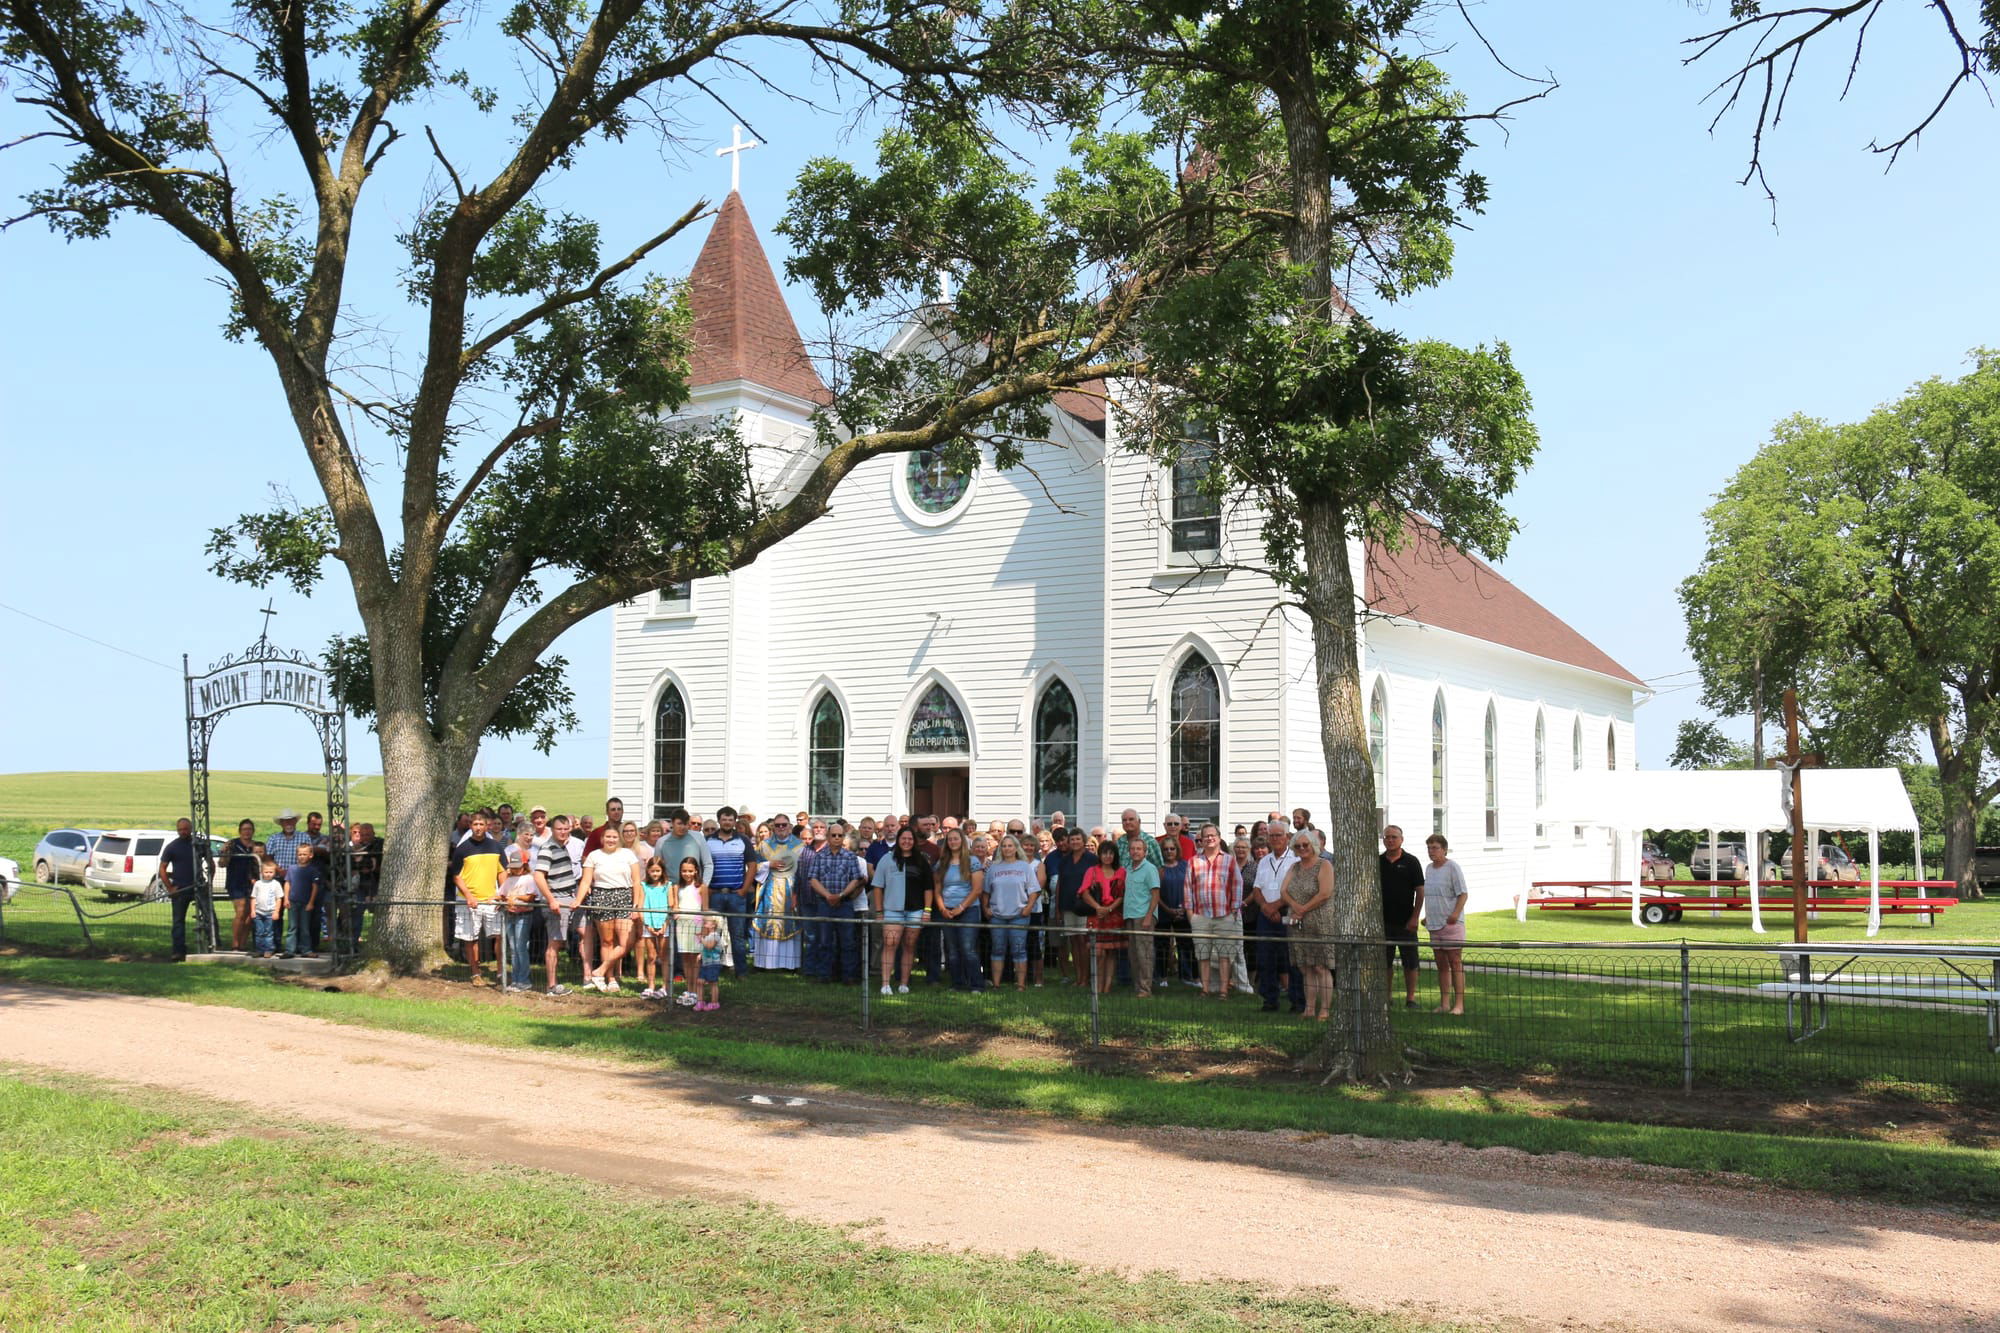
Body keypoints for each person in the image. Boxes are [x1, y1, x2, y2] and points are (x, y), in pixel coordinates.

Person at [578, 822, 641, 992]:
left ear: (618, 838)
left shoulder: (628, 855)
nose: (611, 839)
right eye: (608, 837)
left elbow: (636, 881)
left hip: (624, 897)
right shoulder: (594, 855)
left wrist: (636, 905)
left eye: (614, 837)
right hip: (602, 896)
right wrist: (578, 899)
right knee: (607, 941)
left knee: (628, 941)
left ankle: (599, 971)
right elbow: (586, 881)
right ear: (602, 839)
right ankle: (610, 978)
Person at [801, 820, 865, 984]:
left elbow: (856, 880)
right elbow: (813, 879)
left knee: (848, 942)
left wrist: (841, 895)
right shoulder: (819, 856)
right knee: (824, 941)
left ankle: (848, 976)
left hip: (845, 904)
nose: (837, 838)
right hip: (824, 904)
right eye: (834, 835)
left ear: (843, 837)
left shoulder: (850, 856)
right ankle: (824, 975)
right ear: (828, 837)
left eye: (840, 835)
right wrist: (828, 896)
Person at [871, 826, 932, 994]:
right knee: (890, 945)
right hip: (892, 910)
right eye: (903, 838)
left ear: (914, 841)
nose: (907, 842)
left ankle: (904, 984)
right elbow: (877, 887)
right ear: (898, 840)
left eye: (910, 839)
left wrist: (927, 910)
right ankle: (885, 984)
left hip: (916, 911)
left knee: (909, 946)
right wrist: (879, 911)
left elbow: (928, 888)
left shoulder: (921, 861)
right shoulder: (887, 859)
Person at [1250, 823, 1304, 1013]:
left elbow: (1294, 889)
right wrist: (1265, 907)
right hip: (1265, 915)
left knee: (1291, 958)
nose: (1275, 839)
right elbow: (1256, 889)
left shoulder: (1296, 859)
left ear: (1287, 836)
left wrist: (1276, 906)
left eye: (1278, 835)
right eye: (1271, 836)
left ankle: (1297, 1001)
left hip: (1287, 912)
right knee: (1265, 958)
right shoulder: (1264, 861)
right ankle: (1269, 1000)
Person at [1185, 823, 1243, 1000]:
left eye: (1213, 835)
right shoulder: (1194, 861)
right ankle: (1205, 989)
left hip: (1224, 915)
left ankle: (1224, 991)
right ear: (1201, 840)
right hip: (1201, 916)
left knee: (1225, 955)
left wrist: (1233, 911)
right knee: (1202, 954)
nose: (1210, 838)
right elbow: (1188, 888)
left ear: (1219, 838)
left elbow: (1237, 885)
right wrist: (1190, 915)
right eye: (1206, 836)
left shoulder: (1229, 860)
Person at [448, 811, 505, 983]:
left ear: (487, 826)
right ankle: (476, 972)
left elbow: (502, 872)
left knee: (499, 935)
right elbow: (456, 876)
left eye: (481, 824)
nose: (478, 828)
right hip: (468, 901)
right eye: (475, 824)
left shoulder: (496, 847)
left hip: (490, 900)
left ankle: (501, 972)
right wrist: (468, 896)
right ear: (470, 826)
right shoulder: (462, 849)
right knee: (470, 937)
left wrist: (501, 893)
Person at [1283, 830, 1336, 1020]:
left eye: (1305, 845)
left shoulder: (1325, 865)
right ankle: (1309, 1008)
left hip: (1320, 923)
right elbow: (1284, 891)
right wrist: (1296, 907)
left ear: (1313, 845)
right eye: (1298, 846)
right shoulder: (1294, 867)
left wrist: (1302, 909)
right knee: (1305, 967)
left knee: (1321, 967)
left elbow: (1325, 893)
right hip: (1297, 924)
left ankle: (1325, 1010)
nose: (1302, 848)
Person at [532, 813, 583, 997]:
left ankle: (589, 977)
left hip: (570, 898)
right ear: (552, 830)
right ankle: (552, 986)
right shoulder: (548, 848)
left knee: (583, 932)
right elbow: (538, 876)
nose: (563, 832)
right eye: (559, 829)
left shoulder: (563, 847)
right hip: (557, 901)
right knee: (554, 943)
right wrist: (551, 900)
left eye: (566, 829)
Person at [983, 834, 1042, 992]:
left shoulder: (1024, 867)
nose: (1007, 848)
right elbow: (986, 892)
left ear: (1016, 848)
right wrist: (985, 908)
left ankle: (1021, 985)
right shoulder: (993, 868)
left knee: (1019, 950)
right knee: (997, 949)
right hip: (997, 916)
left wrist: (1029, 907)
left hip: (1019, 916)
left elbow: (1034, 890)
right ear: (1000, 849)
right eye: (1004, 846)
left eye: (1010, 846)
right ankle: (996, 984)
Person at [933, 826, 987, 992]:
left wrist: (961, 907)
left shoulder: (972, 861)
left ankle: (976, 985)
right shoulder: (941, 863)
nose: (952, 842)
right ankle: (957, 984)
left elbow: (977, 889)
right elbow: (937, 889)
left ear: (962, 841)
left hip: (969, 910)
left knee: (968, 949)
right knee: (953, 951)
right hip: (947, 911)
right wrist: (942, 908)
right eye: (950, 839)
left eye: (956, 838)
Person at [705, 807, 757, 978]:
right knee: (712, 935)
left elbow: (752, 866)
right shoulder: (708, 840)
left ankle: (741, 972)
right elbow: (701, 865)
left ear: (735, 821)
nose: (727, 822)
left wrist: (743, 889)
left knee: (738, 937)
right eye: (724, 819)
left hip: (736, 895)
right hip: (715, 895)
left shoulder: (743, 840)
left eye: (730, 819)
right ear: (719, 820)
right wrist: (708, 888)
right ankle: (712, 970)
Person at [1379, 825, 1426, 1009]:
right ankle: (1387, 996)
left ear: (1401, 839)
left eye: (1393, 837)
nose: (1390, 840)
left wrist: (1415, 917)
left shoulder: (1411, 862)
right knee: (1385, 962)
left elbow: (1420, 892)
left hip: (1407, 922)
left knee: (1410, 961)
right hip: (1383, 922)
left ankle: (1411, 998)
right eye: (1387, 837)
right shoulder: (1378, 861)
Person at [155, 816, 214, 962]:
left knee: (210, 917)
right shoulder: (172, 847)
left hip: (199, 887)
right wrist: (170, 887)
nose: (183, 832)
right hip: (180, 889)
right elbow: (162, 868)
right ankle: (178, 951)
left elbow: (211, 864)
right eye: (180, 829)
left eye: (185, 829)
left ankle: (214, 944)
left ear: (191, 829)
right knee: (178, 921)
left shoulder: (199, 844)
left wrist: (208, 883)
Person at [1423, 834, 1468, 1014]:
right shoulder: (1429, 869)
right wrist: (1427, 916)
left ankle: (1459, 1005)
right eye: (1429, 848)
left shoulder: (1452, 867)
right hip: (1434, 925)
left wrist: (1455, 914)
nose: (1431, 852)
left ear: (1444, 849)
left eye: (1435, 848)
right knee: (1441, 965)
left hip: (1451, 924)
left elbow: (1463, 894)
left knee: (1455, 963)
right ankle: (1444, 1003)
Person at [752, 815, 803, 971]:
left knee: (790, 922)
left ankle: (790, 964)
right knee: (768, 919)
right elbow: (754, 867)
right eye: (778, 825)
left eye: (784, 825)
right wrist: (769, 864)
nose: (781, 828)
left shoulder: (799, 845)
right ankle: (766, 963)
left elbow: (804, 870)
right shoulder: (764, 846)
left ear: (789, 826)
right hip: (770, 889)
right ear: (773, 827)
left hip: (791, 889)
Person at [1045, 826, 1094, 986]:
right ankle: (1078, 977)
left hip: (1084, 906)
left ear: (1084, 840)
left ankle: (1086, 978)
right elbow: (1060, 884)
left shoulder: (1092, 859)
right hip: (1067, 905)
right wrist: (1058, 908)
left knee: (1083, 941)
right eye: (1072, 839)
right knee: (1073, 942)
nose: (1074, 842)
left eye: (1078, 839)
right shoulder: (1065, 860)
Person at [498, 824, 543, 993]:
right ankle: (516, 979)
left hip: (524, 915)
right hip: (511, 914)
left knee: (521, 946)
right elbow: (502, 893)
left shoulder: (529, 879)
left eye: (518, 867)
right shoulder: (509, 880)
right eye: (513, 868)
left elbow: (531, 896)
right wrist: (498, 899)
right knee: (513, 948)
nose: (515, 870)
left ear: (524, 866)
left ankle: (524, 979)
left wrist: (515, 897)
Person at [1078, 839, 1124, 993]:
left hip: (1114, 916)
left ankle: (1107, 986)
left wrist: (1109, 909)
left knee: (1111, 953)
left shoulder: (1121, 872)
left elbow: (1121, 895)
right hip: (1096, 916)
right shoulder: (1092, 871)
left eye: (1111, 853)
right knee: (1098, 952)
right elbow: (1084, 892)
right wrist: (1098, 907)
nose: (1108, 856)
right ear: (1100, 854)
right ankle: (1097, 985)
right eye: (1105, 853)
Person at [1121, 833, 1160, 997]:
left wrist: (1149, 916)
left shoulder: (1150, 869)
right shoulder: (1128, 869)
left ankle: (1146, 988)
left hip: (1144, 916)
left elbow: (1156, 894)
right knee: (1133, 954)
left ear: (1145, 852)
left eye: (1139, 849)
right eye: (1132, 849)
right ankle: (1138, 987)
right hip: (1130, 915)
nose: (1135, 852)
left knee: (1145, 953)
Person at [1155, 833, 1196, 986]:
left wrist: (1184, 909)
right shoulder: (1158, 869)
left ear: (1177, 849)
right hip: (1163, 911)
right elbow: (1155, 893)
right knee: (1162, 946)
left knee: (1186, 945)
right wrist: (1168, 910)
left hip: (1184, 911)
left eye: (1172, 848)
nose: (1169, 851)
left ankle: (1187, 976)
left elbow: (1192, 888)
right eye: (1166, 849)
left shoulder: (1186, 865)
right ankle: (1162, 977)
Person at [216, 818, 260, 952]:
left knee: (249, 915)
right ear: (240, 831)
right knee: (240, 912)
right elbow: (222, 864)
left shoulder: (257, 845)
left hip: (253, 882)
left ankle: (243, 944)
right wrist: (225, 853)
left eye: (249, 829)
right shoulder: (232, 844)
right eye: (244, 829)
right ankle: (235, 944)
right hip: (236, 882)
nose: (247, 832)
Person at [671, 855, 708, 1007]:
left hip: (696, 925)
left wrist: (705, 928)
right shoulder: (676, 887)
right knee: (685, 957)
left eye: (690, 871)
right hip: (682, 925)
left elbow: (705, 909)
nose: (687, 874)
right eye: (684, 871)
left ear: (696, 871)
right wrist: (675, 910)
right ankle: (688, 989)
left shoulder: (702, 887)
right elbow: (675, 905)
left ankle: (695, 991)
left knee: (695, 958)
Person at [636, 855, 674, 998]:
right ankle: (650, 985)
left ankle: (665, 986)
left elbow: (671, 906)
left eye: (658, 871)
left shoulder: (668, 886)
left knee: (664, 956)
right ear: (648, 871)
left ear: (662, 871)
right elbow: (640, 907)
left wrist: (665, 925)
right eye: (652, 871)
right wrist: (647, 924)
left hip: (664, 924)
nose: (655, 874)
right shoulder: (643, 886)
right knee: (651, 956)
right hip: (649, 924)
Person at [284, 842, 327, 958]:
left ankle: (306, 950)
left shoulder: (313, 870)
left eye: (304, 854)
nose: (302, 857)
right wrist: (286, 898)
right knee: (292, 927)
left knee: (305, 928)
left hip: (306, 903)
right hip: (293, 901)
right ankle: (289, 950)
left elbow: (315, 887)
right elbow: (288, 883)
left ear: (310, 855)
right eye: (300, 854)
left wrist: (311, 902)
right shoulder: (292, 869)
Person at [654, 807, 712, 886]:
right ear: (672, 823)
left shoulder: (698, 838)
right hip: (671, 888)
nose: (682, 827)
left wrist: (704, 885)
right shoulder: (661, 842)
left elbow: (708, 864)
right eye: (679, 823)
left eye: (685, 824)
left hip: (693, 888)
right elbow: (657, 866)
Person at [250, 855, 284, 957]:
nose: (268, 874)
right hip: (259, 912)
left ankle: (269, 950)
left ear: (274, 873)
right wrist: (253, 910)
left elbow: (279, 898)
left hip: (270, 912)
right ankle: (259, 950)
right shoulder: (258, 884)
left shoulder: (276, 884)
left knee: (269, 932)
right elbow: (253, 897)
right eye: (266, 872)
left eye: (271, 872)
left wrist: (276, 911)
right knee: (259, 932)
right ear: (261, 872)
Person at [695, 915, 727, 1011]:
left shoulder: (715, 936)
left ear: (713, 925)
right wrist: (701, 955)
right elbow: (705, 948)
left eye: (707, 921)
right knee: (700, 981)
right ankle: (700, 1001)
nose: (704, 922)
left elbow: (709, 946)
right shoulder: (708, 936)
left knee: (713, 983)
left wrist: (701, 940)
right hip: (705, 963)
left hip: (713, 963)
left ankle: (714, 1002)